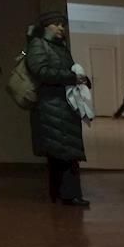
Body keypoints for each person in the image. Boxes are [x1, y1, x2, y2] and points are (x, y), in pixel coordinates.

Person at [26, 11, 90, 207]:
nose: (61, 28)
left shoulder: (60, 47)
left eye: (62, 24)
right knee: (62, 154)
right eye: (56, 24)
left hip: (62, 106)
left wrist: (80, 79)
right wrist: (71, 78)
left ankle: (63, 194)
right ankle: (69, 195)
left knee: (63, 154)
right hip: (50, 107)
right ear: (46, 27)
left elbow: (64, 71)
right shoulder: (38, 45)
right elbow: (41, 71)